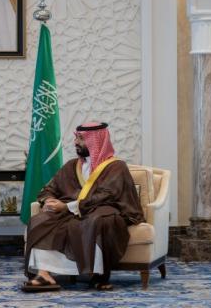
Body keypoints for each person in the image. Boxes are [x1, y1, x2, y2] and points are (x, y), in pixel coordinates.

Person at [22, 122, 145, 292]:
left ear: (96, 141)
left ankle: (98, 274)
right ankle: (44, 274)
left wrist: (67, 206)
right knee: (40, 220)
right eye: (76, 138)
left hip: (103, 210)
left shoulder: (116, 167)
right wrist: (49, 201)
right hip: (70, 212)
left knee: (98, 221)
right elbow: (48, 189)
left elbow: (106, 196)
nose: (75, 142)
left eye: (81, 139)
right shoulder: (71, 166)